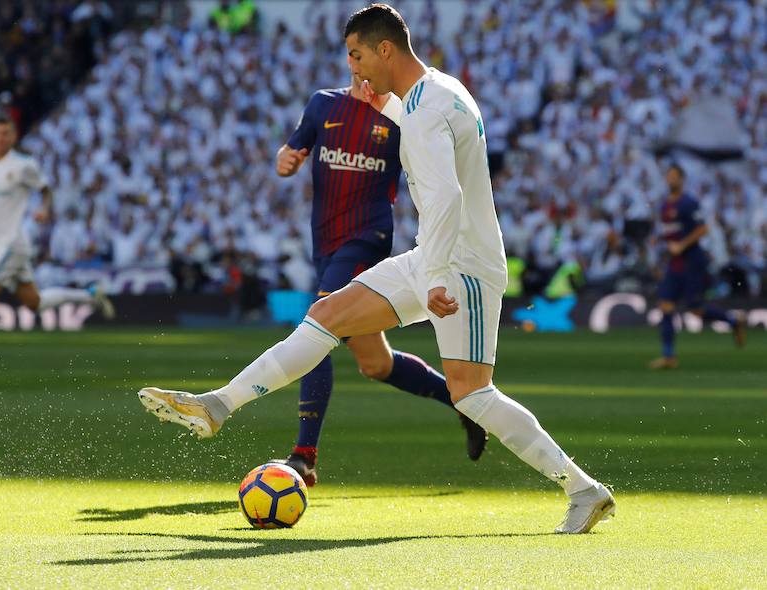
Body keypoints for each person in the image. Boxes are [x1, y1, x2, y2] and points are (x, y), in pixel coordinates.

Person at [137, 4, 614, 534]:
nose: (353, 69)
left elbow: (445, 198)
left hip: (461, 267)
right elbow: (425, 138)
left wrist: (434, 278)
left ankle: (583, 489)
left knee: (472, 393)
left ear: (385, 49)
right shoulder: (438, 92)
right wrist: (382, 106)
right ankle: (217, 405)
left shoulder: (428, 109)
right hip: (434, 256)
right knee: (327, 315)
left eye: (357, 56)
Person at [141, 64, 487, 486]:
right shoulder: (324, 104)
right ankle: (462, 405)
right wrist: (285, 159)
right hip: (325, 244)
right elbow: (291, 150)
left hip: (367, 240)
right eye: (353, 59)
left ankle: (304, 455)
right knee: (376, 364)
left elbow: (435, 168)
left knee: (319, 322)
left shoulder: (400, 114)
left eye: (363, 58)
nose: (361, 70)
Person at [0, 114, 114, 383]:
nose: (0, 138)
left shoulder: (24, 166)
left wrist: (44, 209)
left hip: (13, 243)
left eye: (5, 133)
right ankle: (90, 296)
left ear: (13, 137)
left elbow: (46, 191)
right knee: (35, 303)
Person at [649, 164, 746, 369]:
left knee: (696, 310)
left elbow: (702, 229)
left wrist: (682, 245)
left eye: (675, 176)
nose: (671, 179)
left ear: (682, 180)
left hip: (692, 261)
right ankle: (669, 356)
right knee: (665, 304)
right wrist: (660, 245)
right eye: (669, 176)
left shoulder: (689, 203)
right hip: (675, 264)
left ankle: (732, 321)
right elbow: (671, 234)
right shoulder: (665, 205)